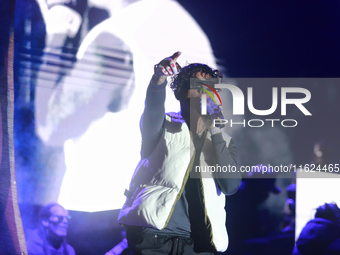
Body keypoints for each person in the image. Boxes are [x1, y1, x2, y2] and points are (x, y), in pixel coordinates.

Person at [117, 51, 242, 254]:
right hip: (155, 237)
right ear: (179, 93)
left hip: (199, 244)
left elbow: (230, 185)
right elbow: (153, 108)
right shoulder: (162, 125)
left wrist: (216, 131)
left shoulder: (223, 140)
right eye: (197, 85)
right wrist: (159, 79)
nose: (204, 91)